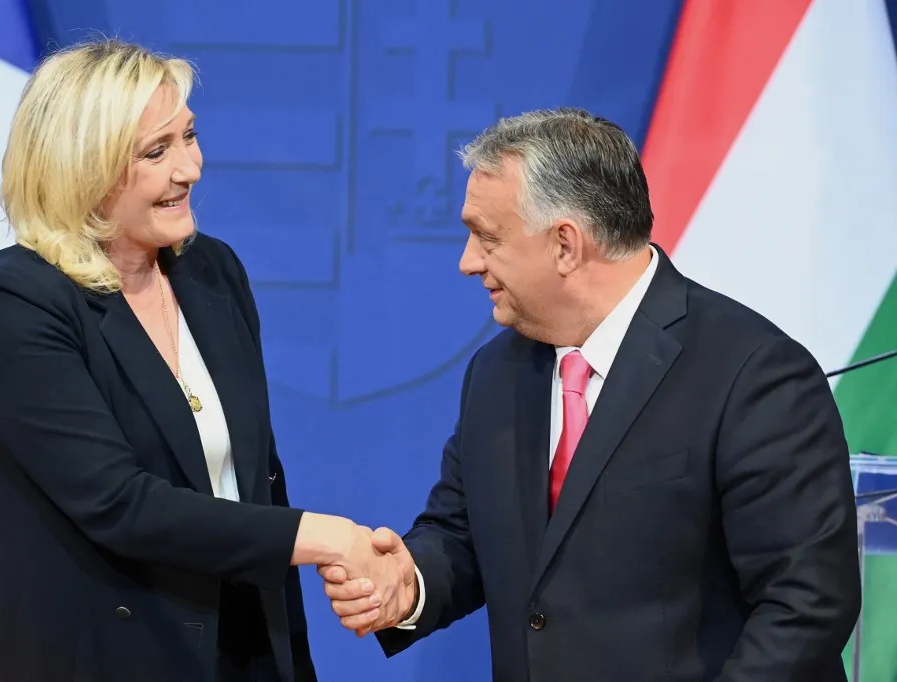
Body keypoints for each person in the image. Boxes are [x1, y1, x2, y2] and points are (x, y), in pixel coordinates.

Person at [320, 108, 862, 681]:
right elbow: (463, 535)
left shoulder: (753, 374)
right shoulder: (497, 374)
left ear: (565, 245)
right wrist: (411, 583)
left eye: (487, 236)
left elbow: (805, 605)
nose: (468, 261)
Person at [0, 39, 401, 682]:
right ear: (84, 169)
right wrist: (328, 538)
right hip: (90, 657)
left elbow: (254, 481)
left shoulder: (211, 271)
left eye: (188, 138)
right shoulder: (20, 298)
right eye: (156, 152)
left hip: (237, 649)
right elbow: (118, 503)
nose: (189, 168)